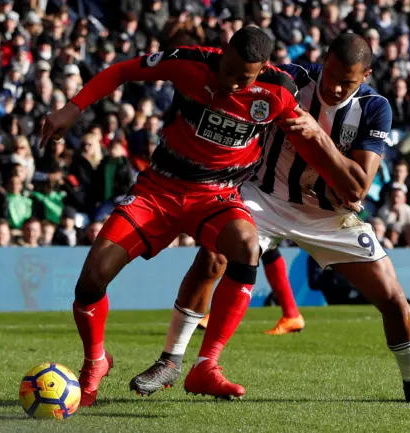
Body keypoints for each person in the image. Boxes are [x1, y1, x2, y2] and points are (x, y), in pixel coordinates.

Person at [40, 27, 360, 406]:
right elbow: (122, 71)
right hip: (158, 190)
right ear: (221, 54)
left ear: (261, 71)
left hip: (216, 197)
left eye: (243, 78)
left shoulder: (278, 92)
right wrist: (72, 107)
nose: (230, 82)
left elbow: (311, 145)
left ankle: (206, 365)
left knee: (245, 246)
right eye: (227, 70)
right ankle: (96, 362)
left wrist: (344, 186)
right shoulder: (190, 62)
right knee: (91, 278)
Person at [130, 33, 410, 404]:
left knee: (393, 299)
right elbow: (236, 75)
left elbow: (358, 187)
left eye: (346, 81)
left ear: (366, 75)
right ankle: (171, 360)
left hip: (328, 218)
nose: (333, 86)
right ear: (324, 60)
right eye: (330, 74)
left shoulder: (375, 108)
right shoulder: (292, 79)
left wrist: (319, 136)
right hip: (263, 198)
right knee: (212, 257)